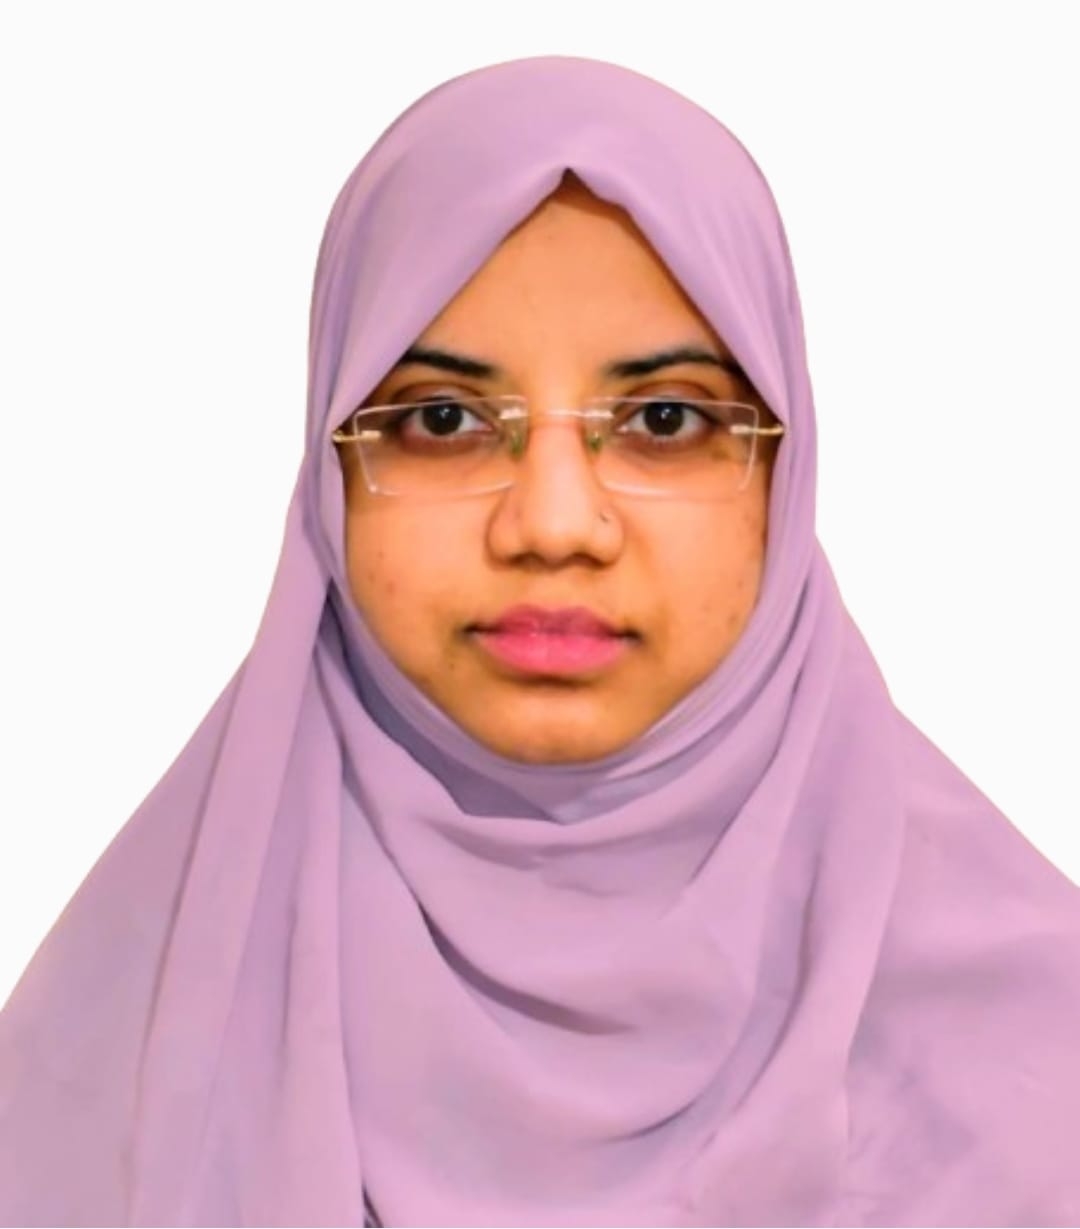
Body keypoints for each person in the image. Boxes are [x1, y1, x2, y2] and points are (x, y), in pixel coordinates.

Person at [2, 54, 1078, 1228]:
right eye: (441, 419)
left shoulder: (1040, 1057)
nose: (555, 524)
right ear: (330, 474)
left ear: (786, 470)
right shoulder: (123, 1054)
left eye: (665, 418)